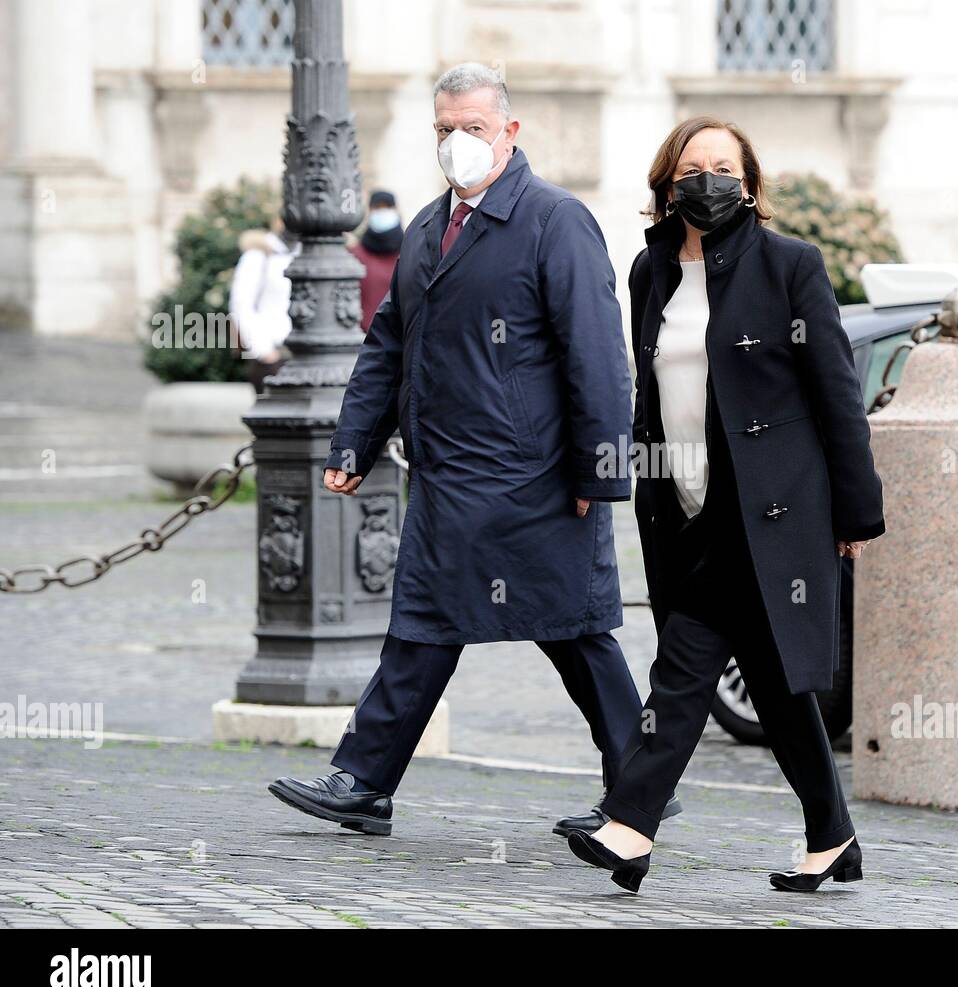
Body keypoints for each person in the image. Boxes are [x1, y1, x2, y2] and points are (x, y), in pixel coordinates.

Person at [268, 62, 680, 836]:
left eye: (473, 128)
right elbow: (389, 346)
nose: (457, 142)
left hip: (539, 481)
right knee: (424, 622)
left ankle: (639, 782)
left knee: (576, 632)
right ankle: (363, 781)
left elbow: (595, 352)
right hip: (451, 477)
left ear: (510, 133)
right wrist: (354, 440)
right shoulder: (427, 228)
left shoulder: (557, 220)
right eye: (444, 130)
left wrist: (601, 467)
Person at [565, 116, 885, 894]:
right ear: (668, 183)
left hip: (769, 508)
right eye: (692, 167)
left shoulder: (790, 267)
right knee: (775, 687)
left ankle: (631, 825)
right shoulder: (651, 274)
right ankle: (833, 836)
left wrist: (855, 514)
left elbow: (836, 395)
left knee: (684, 668)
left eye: (722, 167)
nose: (706, 179)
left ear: (747, 183)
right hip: (683, 502)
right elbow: (650, 392)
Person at [229, 217, 298, 392]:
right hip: (273, 355)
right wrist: (263, 351)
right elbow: (241, 304)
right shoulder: (259, 255)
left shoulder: (306, 252)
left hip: (304, 354)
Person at [353, 190, 403, 331]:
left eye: (387, 207)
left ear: (395, 210)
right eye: (377, 208)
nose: (382, 212)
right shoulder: (355, 255)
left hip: (399, 340)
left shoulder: (410, 251)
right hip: (362, 339)